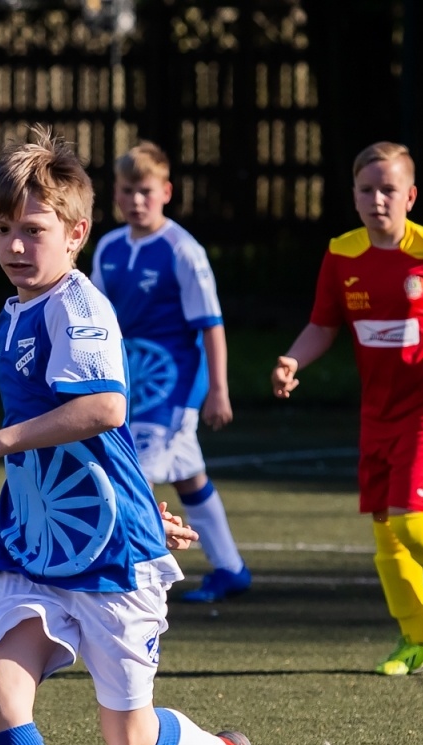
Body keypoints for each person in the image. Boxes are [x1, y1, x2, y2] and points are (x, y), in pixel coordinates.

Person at [0, 126, 287, 745]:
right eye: (2, 229)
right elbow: (97, 442)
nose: (15, 245)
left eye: (33, 230)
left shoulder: (78, 305)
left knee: (128, 738)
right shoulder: (16, 311)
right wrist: (132, 497)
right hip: (37, 547)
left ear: (76, 233)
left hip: (107, 561)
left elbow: (104, 408)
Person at [270, 141, 423, 675]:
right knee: (387, 535)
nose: (378, 199)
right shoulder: (341, 254)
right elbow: (323, 324)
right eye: (367, 189)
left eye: (389, 190)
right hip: (378, 413)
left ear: (410, 197)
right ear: (353, 195)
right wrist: (293, 359)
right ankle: (416, 644)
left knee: (412, 521)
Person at [91, 141, 251, 603]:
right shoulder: (109, 247)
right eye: (127, 191)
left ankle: (134, 577)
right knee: (189, 477)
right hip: (130, 384)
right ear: (116, 195)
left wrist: (218, 390)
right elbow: (98, 319)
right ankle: (231, 569)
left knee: (134, 477)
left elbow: (210, 324)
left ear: (166, 192)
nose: (136, 200)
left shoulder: (183, 250)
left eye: (145, 190)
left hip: (173, 389)